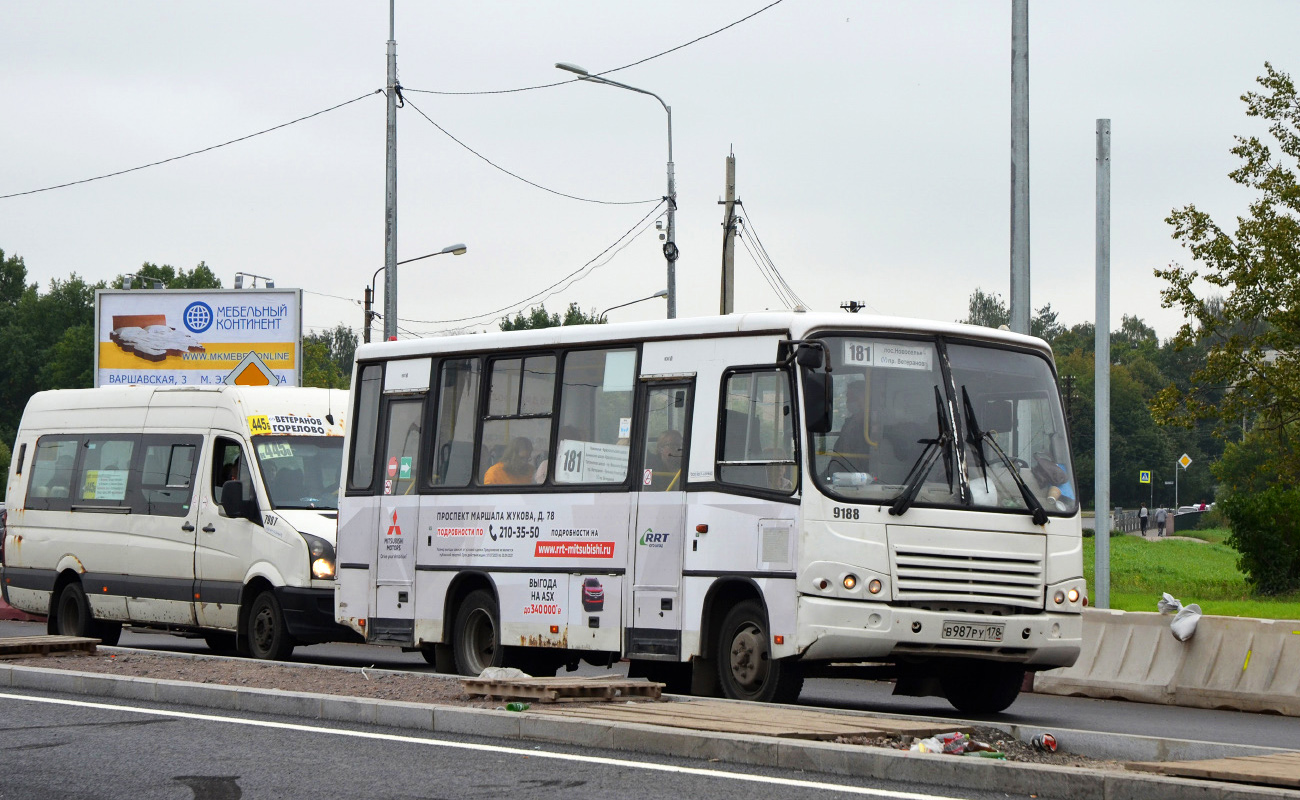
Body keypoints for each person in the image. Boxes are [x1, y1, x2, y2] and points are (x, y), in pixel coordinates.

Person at [834, 380, 876, 460]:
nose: (849, 401)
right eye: (848, 397)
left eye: (854, 397)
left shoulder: (871, 425)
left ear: (866, 398)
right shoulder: (848, 423)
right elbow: (838, 450)